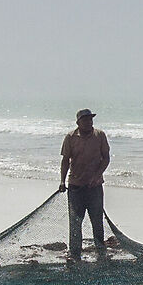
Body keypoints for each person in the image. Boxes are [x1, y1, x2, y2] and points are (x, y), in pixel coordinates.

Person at [59, 108, 111, 264]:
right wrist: (62, 181)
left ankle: (101, 251)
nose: (89, 122)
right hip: (75, 186)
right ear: (78, 122)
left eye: (90, 119)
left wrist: (97, 176)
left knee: (97, 220)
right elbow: (65, 160)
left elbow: (106, 158)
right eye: (85, 120)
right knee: (75, 222)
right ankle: (75, 254)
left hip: (94, 187)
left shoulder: (100, 135)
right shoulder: (70, 137)